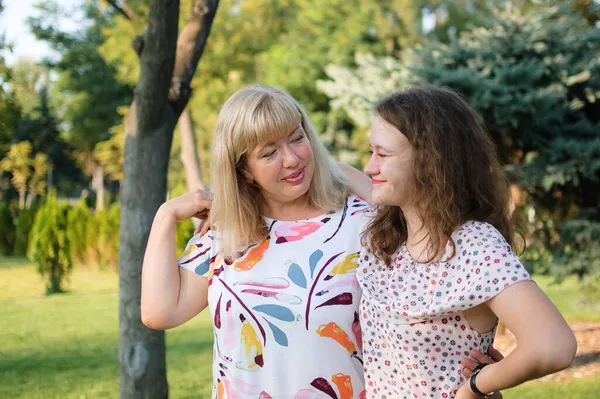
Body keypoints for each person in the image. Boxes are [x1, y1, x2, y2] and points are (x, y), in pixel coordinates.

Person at [141, 84, 371, 398]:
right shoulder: (225, 233)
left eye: (297, 138)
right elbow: (159, 312)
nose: (292, 159)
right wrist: (165, 216)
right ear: (243, 169)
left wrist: (347, 174)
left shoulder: (359, 220)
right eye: (269, 152)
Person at [357, 86, 577, 399]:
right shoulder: (390, 237)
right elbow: (346, 177)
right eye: (370, 152)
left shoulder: (472, 245)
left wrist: (476, 387)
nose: (370, 167)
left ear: (429, 160)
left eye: (383, 154)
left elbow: (553, 345)